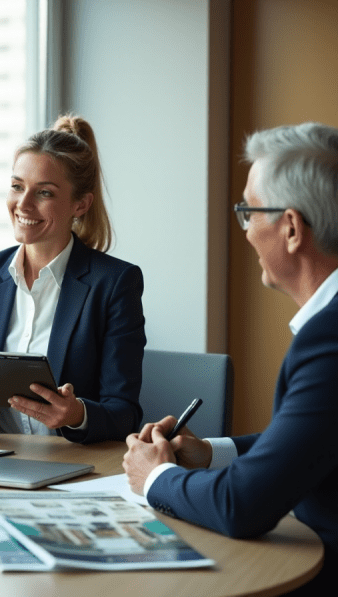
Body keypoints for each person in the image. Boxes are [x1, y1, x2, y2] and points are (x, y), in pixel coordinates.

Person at [123, 122, 338, 591]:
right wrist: (209, 453)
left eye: (249, 212)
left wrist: (154, 476)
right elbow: (309, 440)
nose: (245, 230)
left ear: (292, 228)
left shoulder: (330, 341)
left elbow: (244, 506)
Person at [0, 115, 146, 443]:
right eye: (17, 186)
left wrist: (77, 415)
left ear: (81, 204)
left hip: (77, 469)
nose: (23, 204)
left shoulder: (116, 283)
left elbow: (125, 413)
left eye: (44, 192)